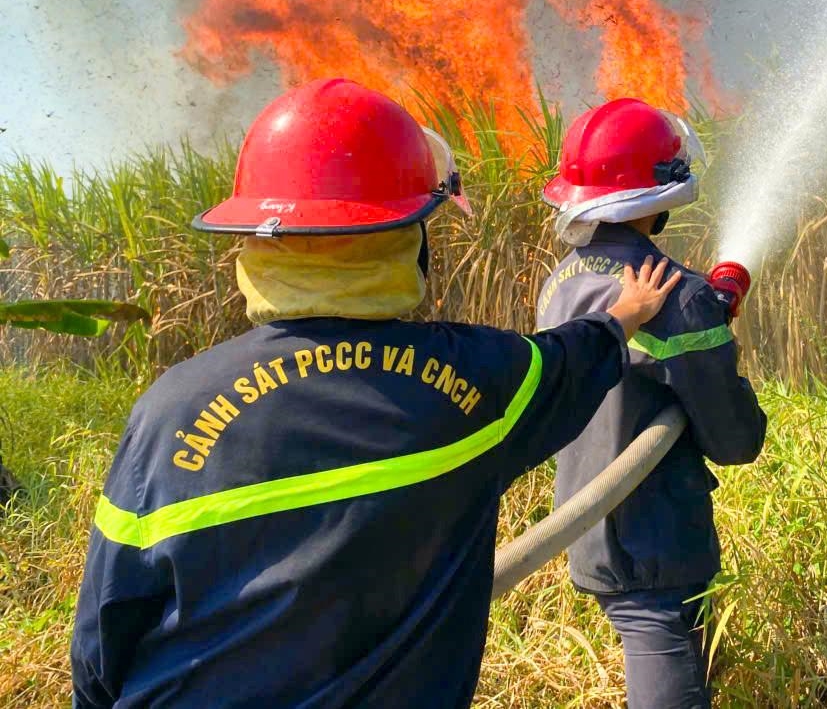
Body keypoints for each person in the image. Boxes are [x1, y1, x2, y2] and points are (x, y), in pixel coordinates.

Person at [70, 79, 681, 709]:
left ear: (254, 243)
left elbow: (102, 636)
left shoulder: (168, 410)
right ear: (408, 241)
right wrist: (625, 315)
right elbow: (573, 358)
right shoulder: (479, 382)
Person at [536, 98, 768, 709]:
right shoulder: (679, 296)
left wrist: (707, 316)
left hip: (591, 520)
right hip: (654, 535)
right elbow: (735, 440)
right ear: (660, 194)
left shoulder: (562, 277)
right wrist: (708, 326)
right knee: (661, 638)